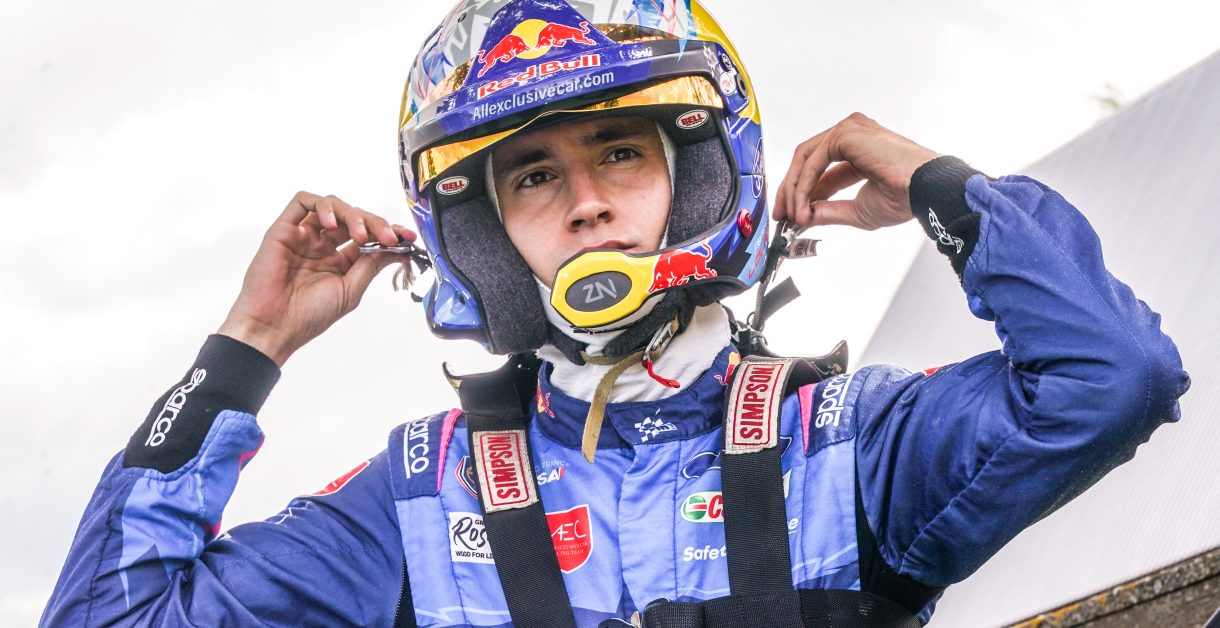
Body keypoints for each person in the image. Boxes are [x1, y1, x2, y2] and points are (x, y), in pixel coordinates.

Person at [42, 1, 1189, 626]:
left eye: (621, 152)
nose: (585, 201)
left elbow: (1112, 378)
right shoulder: (419, 496)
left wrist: (944, 189)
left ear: (695, 177)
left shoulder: (844, 443)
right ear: (487, 236)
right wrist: (246, 351)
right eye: (533, 174)